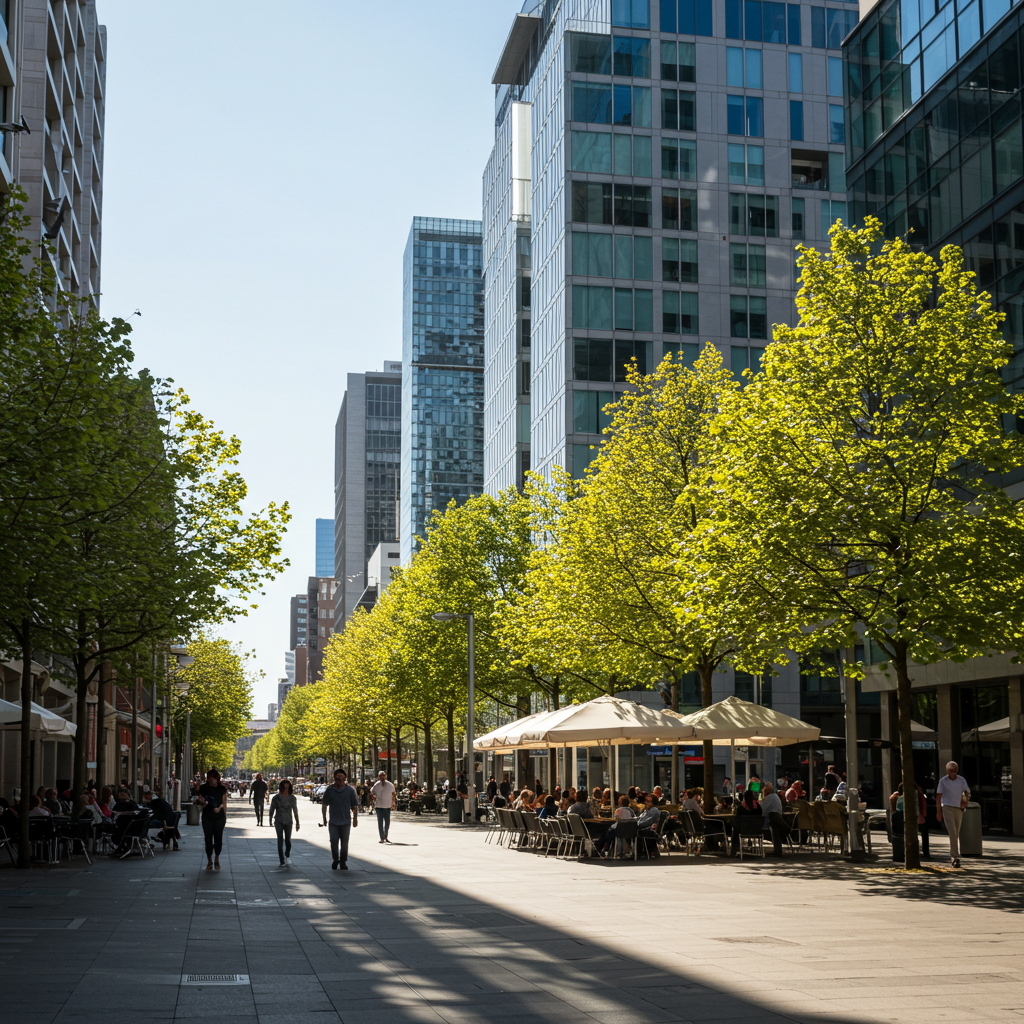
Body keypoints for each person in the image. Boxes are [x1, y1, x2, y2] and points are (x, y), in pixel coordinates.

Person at [321, 768, 359, 870]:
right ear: (334, 778)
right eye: (337, 777)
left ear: (345, 778)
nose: (339, 779)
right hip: (333, 821)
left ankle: (343, 862)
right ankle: (335, 859)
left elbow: (355, 805)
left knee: (344, 843)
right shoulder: (330, 790)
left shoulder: (350, 790)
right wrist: (324, 818)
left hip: (346, 821)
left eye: (341, 777)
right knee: (333, 842)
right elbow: (324, 805)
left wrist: (355, 818)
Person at [935, 761, 970, 868]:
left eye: (955, 771)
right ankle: (955, 857)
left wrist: (964, 802)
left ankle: (954, 855)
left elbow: (966, 792)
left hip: (958, 808)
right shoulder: (943, 781)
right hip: (947, 807)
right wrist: (938, 812)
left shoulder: (961, 780)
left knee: (956, 833)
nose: (953, 773)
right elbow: (939, 796)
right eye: (951, 771)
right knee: (952, 832)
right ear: (947, 771)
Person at [197, 768, 228, 871]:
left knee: (218, 838)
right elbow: (201, 801)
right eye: (210, 778)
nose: (212, 780)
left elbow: (224, 803)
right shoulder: (203, 788)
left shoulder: (222, 789)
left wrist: (222, 810)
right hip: (207, 817)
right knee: (208, 839)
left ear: (217, 778)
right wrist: (202, 802)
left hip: (219, 817)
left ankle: (217, 858)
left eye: (214, 778)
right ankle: (209, 860)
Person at [890, 782, 929, 859]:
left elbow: (894, 809)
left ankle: (900, 851)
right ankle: (925, 851)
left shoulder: (896, 798)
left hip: (898, 818)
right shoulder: (915, 797)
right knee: (924, 830)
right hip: (912, 817)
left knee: (898, 834)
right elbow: (921, 807)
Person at [269, 779, 300, 871]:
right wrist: (270, 819)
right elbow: (272, 808)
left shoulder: (292, 798)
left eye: (287, 787)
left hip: (289, 821)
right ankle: (281, 861)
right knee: (280, 840)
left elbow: (295, 810)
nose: (286, 788)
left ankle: (287, 853)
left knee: (287, 840)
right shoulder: (276, 798)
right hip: (278, 820)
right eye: (284, 787)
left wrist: (297, 822)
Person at [760, 782, 790, 857]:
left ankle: (777, 850)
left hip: (772, 819)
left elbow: (762, 810)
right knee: (775, 833)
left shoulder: (769, 798)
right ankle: (777, 850)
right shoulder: (775, 796)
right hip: (776, 819)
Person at [731, 788, 763, 856]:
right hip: (757, 830)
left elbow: (737, 820)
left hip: (743, 830)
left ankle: (733, 851)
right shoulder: (758, 807)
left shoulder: (741, 808)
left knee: (734, 831)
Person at [370, 770, 397, 843]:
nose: (382, 777)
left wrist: (393, 803)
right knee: (380, 822)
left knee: (387, 822)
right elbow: (372, 791)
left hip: (387, 806)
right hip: (379, 806)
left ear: (386, 776)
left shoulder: (390, 785)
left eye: (383, 775)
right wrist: (373, 797)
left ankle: (386, 836)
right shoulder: (376, 785)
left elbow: (393, 794)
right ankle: (382, 837)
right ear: (379, 777)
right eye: (381, 776)